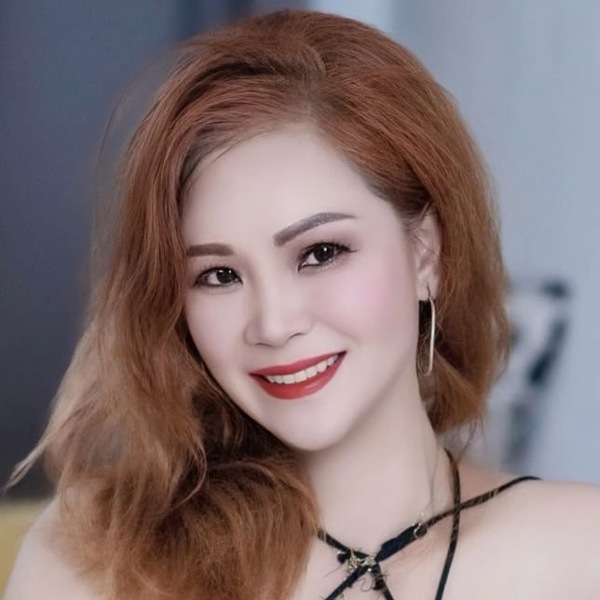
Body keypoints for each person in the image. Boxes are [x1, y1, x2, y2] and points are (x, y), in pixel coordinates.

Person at [5, 9, 600, 600]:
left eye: (320, 253)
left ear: (426, 254)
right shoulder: (91, 556)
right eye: (218, 275)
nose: (273, 323)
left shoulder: (582, 549)